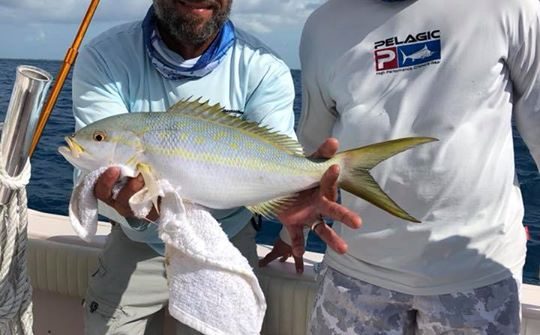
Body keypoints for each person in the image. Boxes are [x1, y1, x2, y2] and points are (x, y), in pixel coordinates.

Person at [71, 0, 360, 334]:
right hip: (137, 242)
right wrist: (127, 207)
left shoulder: (263, 67)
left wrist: (295, 191)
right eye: (102, 137)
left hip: (227, 237)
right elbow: (94, 171)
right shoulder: (105, 56)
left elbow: (278, 153)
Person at [261, 0, 540, 334]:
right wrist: (288, 229)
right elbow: (316, 145)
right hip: (355, 269)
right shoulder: (322, 25)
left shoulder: (511, 5)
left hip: (478, 270)